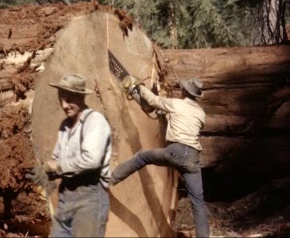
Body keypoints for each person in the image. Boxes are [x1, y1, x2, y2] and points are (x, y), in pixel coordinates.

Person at [112, 76, 210, 238]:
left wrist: (140, 87)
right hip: (193, 158)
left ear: (185, 91)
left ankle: (110, 179)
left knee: (142, 157)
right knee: (198, 201)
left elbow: (153, 100)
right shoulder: (201, 113)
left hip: (175, 151)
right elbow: (185, 123)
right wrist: (166, 115)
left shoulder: (176, 104)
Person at [26, 73, 112, 237]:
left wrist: (57, 167)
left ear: (81, 97)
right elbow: (56, 159)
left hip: (89, 200)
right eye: (61, 99)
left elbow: (91, 161)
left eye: (69, 99)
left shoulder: (95, 121)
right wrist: (43, 172)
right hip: (66, 200)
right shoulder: (65, 126)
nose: (65, 105)